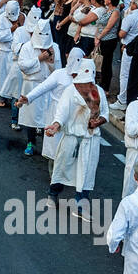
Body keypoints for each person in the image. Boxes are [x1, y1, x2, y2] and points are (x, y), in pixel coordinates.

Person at [45, 58, 108, 218]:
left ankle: (81, 205)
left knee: (86, 172)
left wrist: (97, 122)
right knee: (63, 167)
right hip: (72, 138)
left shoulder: (99, 92)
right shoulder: (70, 91)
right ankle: (53, 194)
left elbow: (105, 114)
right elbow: (62, 112)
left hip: (90, 140)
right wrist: (56, 125)